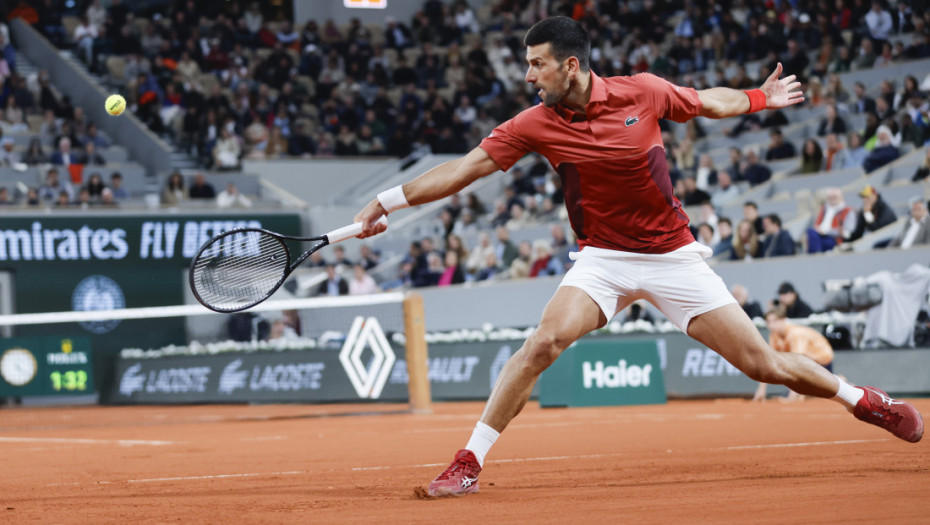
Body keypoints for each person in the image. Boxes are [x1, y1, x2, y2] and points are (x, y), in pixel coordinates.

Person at [352, 17, 923, 498]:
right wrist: (387, 200)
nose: (529, 76)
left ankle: (863, 399)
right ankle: (469, 462)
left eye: (538, 64)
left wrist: (757, 98)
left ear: (571, 65)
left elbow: (707, 104)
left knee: (764, 366)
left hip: (674, 258)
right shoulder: (535, 123)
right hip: (602, 259)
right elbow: (461, 170)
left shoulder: (642, 91)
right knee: (541, 344)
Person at [753, 308, 835, 403]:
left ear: (783, 320)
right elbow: (769, 362)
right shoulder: (774, 336)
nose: (771, 325)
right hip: (808, 365)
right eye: (768, 322)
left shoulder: (795, 334)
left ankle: (837, 380)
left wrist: (791, 397)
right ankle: (807, 391)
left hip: (822, 362)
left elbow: (798, 364)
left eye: (775, 321)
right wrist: (761, 390)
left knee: (822, 392)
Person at [806, 187, 855, 253]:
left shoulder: (847, 211)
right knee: (811, 232)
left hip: (834, 238)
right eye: (830, 197)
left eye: (835, 197)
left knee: (817, 241)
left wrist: (827, 231)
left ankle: (816, 255)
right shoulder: (824, 209)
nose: (832, 199)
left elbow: (847, 232)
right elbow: (817, 224)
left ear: (841, 198)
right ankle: (816, 254)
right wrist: (819, 230)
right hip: (819, 235)